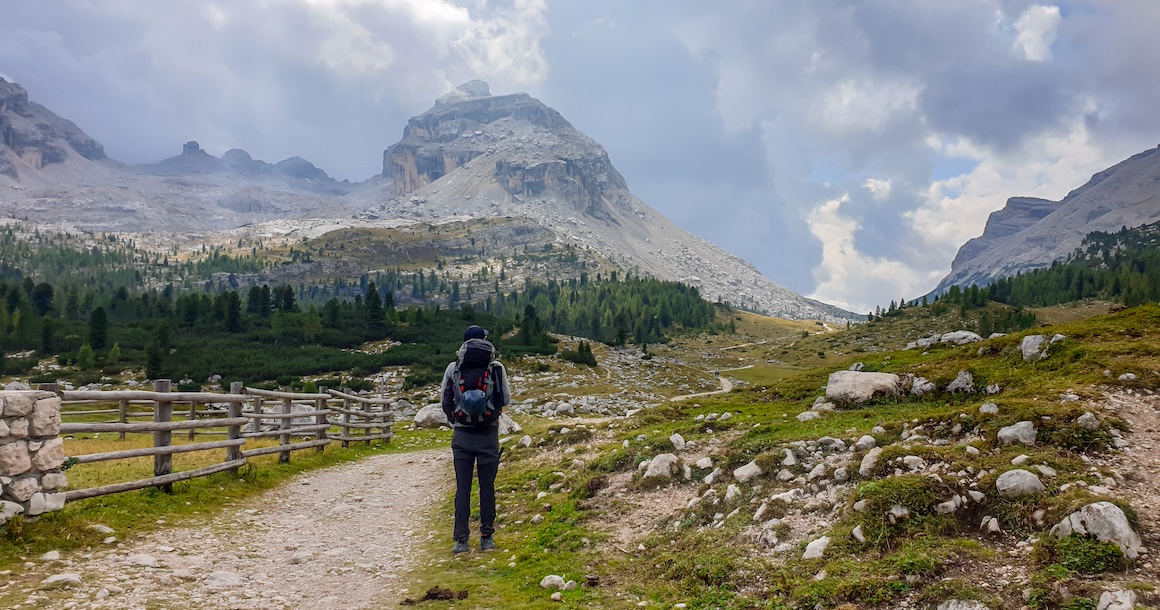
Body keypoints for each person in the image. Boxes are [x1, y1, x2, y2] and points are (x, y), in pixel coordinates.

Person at [441, 324, 511, 553]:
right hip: (488, 434)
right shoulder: (496, 367)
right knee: (487, 486)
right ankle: (487, 537)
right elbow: (506, 399)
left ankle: (461, 541)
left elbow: (445, 401)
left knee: (463, 487)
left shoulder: (453, 368)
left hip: (462, 435)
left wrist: (457, 420)